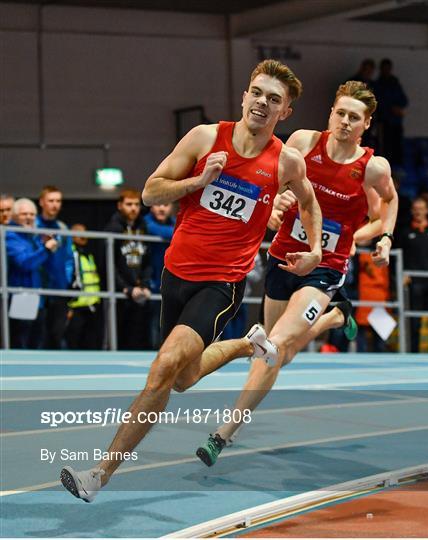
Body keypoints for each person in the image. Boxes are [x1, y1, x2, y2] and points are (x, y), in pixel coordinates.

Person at [60, 59, 323, 502]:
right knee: (181, 380)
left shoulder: (286, 161)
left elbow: (311, 205)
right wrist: (199, 180)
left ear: (285, 112)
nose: (262, 102)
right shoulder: (205, 137)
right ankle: (246, 344)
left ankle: (98, 475)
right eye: (257, 92)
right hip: (175, 274)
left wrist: (314, 250)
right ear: (244, 95)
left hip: (221, 284)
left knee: (162, 369)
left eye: (274, 99)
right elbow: (150, 191)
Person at [195, 80, 399, 466]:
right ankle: (335, 317)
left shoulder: (372, 167)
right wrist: (276, 204)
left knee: (274, 346)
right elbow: (274, 177)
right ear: (330, 114)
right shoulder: (305, 142)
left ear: (366, 123)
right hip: (284, 258)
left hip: (324, 267)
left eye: (354, 117)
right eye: (340, 113)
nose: (344, 122)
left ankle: (223, 434)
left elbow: (389, 201)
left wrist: (382, 235)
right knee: (277, 354)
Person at [6, 198, 58, 348]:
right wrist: (46, 249)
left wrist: (46, 246)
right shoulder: (10, 236)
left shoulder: (33, 236)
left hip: (37, 297)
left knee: (37, 342)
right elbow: (25, 263)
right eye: (24, 214)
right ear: (14, 216)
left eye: (32, 214)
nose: (29, 217)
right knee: (21, 342)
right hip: (20, 296)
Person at [104, 188, 152, 350]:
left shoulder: (143, 227)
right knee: (119, 338)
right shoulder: (113, 228)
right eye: (129, 204)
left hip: (139, 291)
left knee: (139, 337)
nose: (133, 208)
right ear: (119, 205)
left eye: (137, 204)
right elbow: (108, 263)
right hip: (120, 293)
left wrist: (145, 284)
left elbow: (147, 260)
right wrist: (125, 287)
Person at [397, 197, 428, 353]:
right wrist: (402, 274)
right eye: (415, 209)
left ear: (427, 210)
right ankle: (413, 355)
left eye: (421, 208)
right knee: (414, 322)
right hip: (413, 282)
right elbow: (397, 255)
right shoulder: (405, 232)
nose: (418, 212)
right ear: (411, 211)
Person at [36, 186, 74, 349]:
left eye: (58, 201)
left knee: (57, 335)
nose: (55, 205)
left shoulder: (63, 229)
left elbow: (69, 259)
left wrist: (65, 282)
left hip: (59, 290)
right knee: (37, 336)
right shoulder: (32, 226)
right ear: (42, 202)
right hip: (38, 290)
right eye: (51, 201)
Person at [65, 223, 103, 350]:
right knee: (73, 343)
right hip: (75, 306)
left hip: (91, 306)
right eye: (79, 233)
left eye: (85, 233)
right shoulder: (69, 254)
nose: (83, 236)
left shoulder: (89, 254)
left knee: (91, 343)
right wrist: (67, 305)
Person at [144, 203, 176, 349]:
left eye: (165, 205)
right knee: (152, 322)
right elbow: (152, 228)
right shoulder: (144, 222)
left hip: (172, 280)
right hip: (149, 282)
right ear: (151, 206)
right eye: (158, 204)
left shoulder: (175, 221)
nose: (162, 208)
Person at [374, 59, 408, 166]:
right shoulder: (377, 84)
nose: (387, 70)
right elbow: (378, 102)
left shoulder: (395, 82)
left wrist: (398, 108)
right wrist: (391, 108)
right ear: (381, 69)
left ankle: (398, 171)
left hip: (396, 121)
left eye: (388, 68)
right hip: (384, 121)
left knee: (397, 147)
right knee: (385, 148)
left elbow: (404, 100)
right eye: (385, 68)